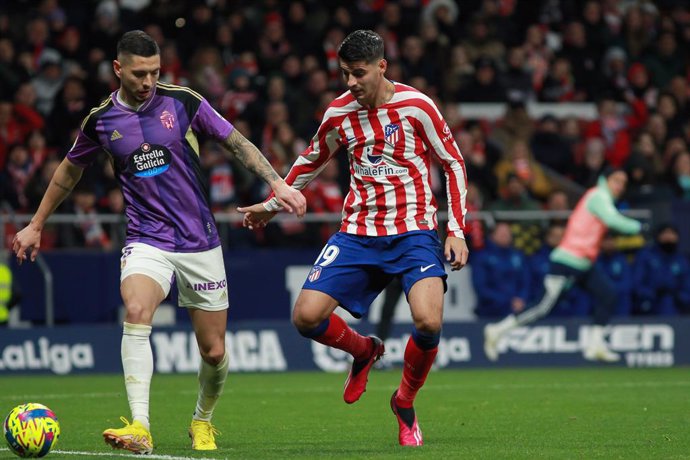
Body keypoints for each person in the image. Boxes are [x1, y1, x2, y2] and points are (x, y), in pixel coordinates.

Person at [11, 30, 305, 454]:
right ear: (118, 69)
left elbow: (236, 142)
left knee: (214, 350)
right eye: (138, 73)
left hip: (198, 240)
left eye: (154, 72)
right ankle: (140, 426)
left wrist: (278, 184)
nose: (148, 81)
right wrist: (36, 223)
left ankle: (202, 421)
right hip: (147, 239)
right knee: (136, 308)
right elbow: (67, 171)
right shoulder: (101, 120)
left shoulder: (184, 101)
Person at [237, 30, 469, 446]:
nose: (350, 82)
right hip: (358, 233)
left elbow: (452, 162)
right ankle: (364, 350)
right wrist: (272, 205)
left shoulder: (418, 107)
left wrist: (455, 229)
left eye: (358, 73)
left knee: (429, 321)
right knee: (305, 317)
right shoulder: (339, 113)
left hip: (414, 231)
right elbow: (311, 160)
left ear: (382, 67)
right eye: (344, 73)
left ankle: (404, 401)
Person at [483, 167, 641, 363]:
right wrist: (638, 226)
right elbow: (613, 220)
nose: (620, 186)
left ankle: (595, 345)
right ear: (604, 180)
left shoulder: (602, 198)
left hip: (583, 263)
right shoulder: (599, 196)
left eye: (623, 183)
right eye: (617, 180)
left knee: (608, 294)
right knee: (542, 307)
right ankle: (497, 330)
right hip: (566, 262)